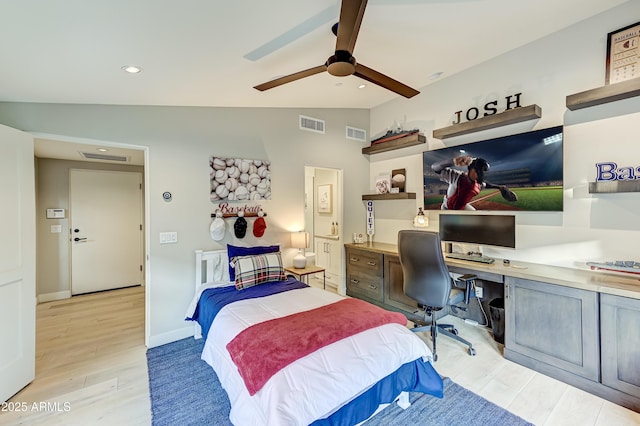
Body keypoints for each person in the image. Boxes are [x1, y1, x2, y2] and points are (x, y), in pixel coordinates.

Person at [431, 155, 512, 210]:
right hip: (448, 208)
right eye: (481, 171)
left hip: (462, 207)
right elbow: (435, 168)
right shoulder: (457, 177)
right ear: (472, 170)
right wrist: (453, 161)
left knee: (475, 219)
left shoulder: (477, 183)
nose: (482, 174)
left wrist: (499, 187)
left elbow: (486, 185)